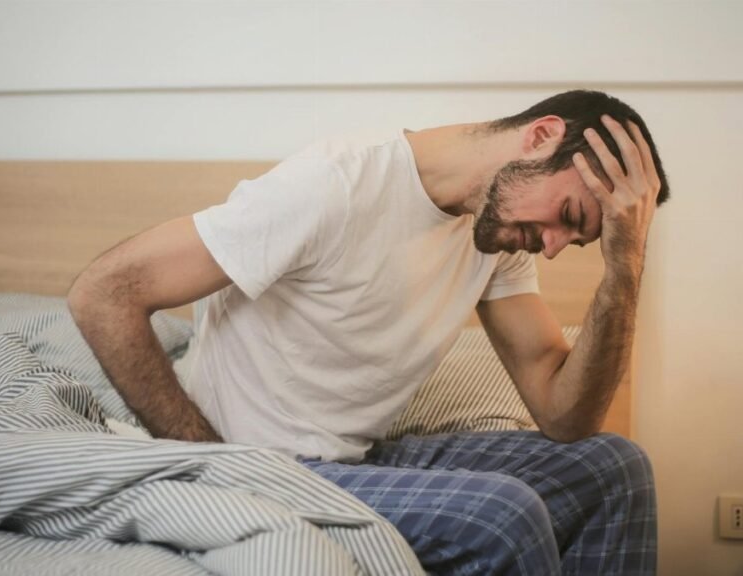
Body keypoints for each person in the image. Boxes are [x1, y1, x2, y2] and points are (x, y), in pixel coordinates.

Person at [68, 89, 670, 575]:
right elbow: (104, 292)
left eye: (580, 240)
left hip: (354, 459)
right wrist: (212, 464)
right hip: (259, 463)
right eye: (568, 217)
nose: (557, 246)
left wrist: (625, 263)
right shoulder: (335, 185)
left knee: (612, 468)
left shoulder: (498, 235)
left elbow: (565, 417)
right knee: (500, 516)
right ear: (540, 136)